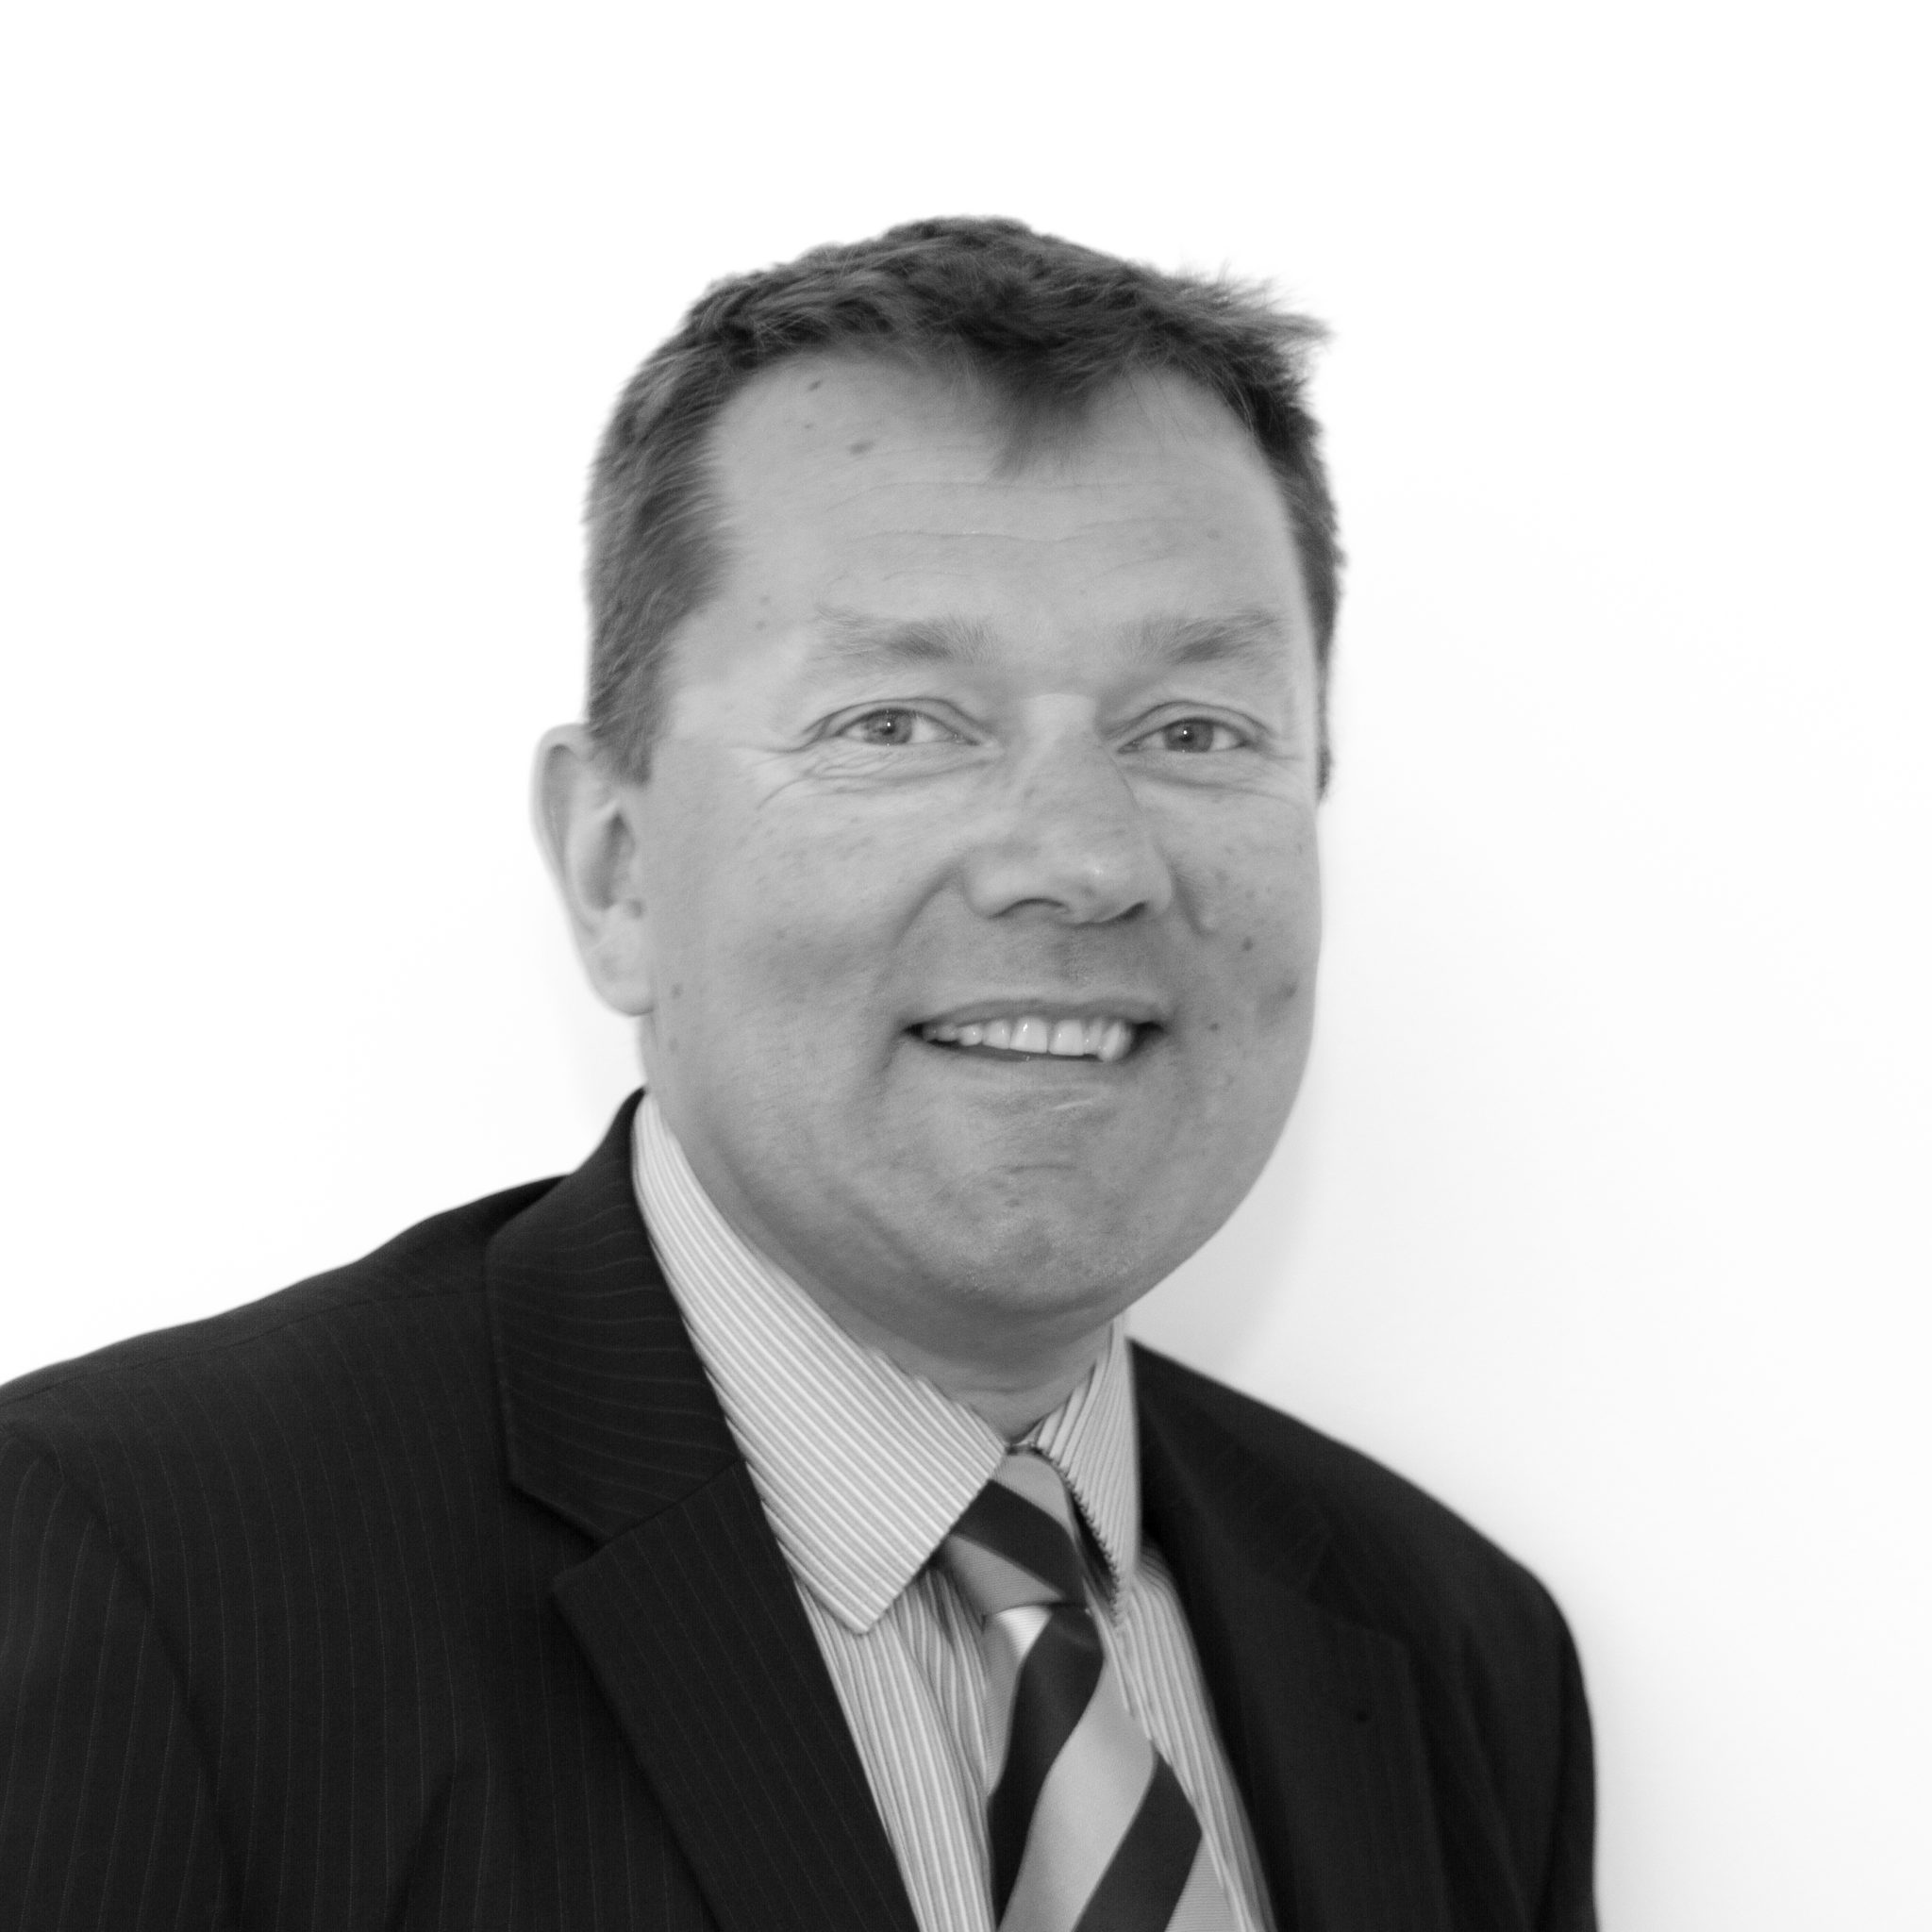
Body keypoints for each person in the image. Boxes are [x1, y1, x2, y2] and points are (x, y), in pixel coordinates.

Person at [0, 217, 1596, 1931]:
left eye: (1193, 731)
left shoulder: (1452, 1651)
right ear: (616, 867)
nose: (1077, 857)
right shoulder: (132, 1565)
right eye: (898, 722)